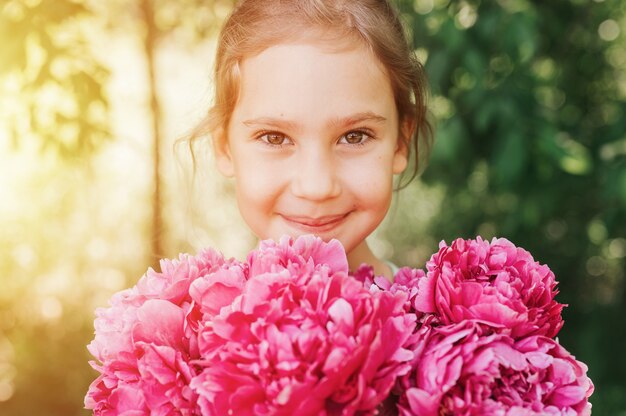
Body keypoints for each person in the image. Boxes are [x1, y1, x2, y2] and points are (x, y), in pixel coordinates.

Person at [186, 0, 433, 281]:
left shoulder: (452, 322)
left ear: (400, 141)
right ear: (224, 147)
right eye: (275, 138)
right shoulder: (193, 322)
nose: (317, 187)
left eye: (354, 137)